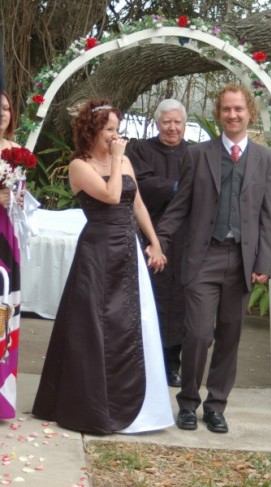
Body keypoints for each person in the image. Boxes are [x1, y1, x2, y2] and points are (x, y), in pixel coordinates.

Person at [32, 99, 174, 435]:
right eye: (110, 129)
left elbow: (135, 201)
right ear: (92, 130)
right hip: (97, 253)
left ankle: (138, 403)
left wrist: (154, 241)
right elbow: (111, 197)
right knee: (93, 326)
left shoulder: (123, 159)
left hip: (128, 250)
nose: (116, 136)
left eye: (117, 129)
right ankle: (92, 403)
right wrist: (114, 159)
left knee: (134, 323)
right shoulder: (79, 166)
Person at [151, 83, 271, 433]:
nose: (233, 115)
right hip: (203, 258)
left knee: (230, 336)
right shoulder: (198, 155)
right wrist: (159, 239)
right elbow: (180, 207)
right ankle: (189, 402)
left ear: (248, 112)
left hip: (241, 262)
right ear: (218, 114)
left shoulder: (266, 160)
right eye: (226, 110)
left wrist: (263, 264)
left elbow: (269, 217)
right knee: (197, 334)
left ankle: (217, 405)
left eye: (238, 109)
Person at [126, 99, 189, 388]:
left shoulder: (196, 154)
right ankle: (142, 362)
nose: (172, 128)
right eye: (167, 122)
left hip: (185, 239)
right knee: (149, 298)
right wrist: (180, 188)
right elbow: (142, 186)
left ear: (184, 124)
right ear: (157, 123)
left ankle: (172, 366)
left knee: (180, 304)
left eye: (177, 122)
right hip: (147, 235)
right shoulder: (140, 150)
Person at [0, 91, 24, 419]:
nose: (2, 113)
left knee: (4, 312)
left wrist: (17, 199)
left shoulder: (16, 152)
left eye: (6, 108)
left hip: (7, 236)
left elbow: (23, 198)